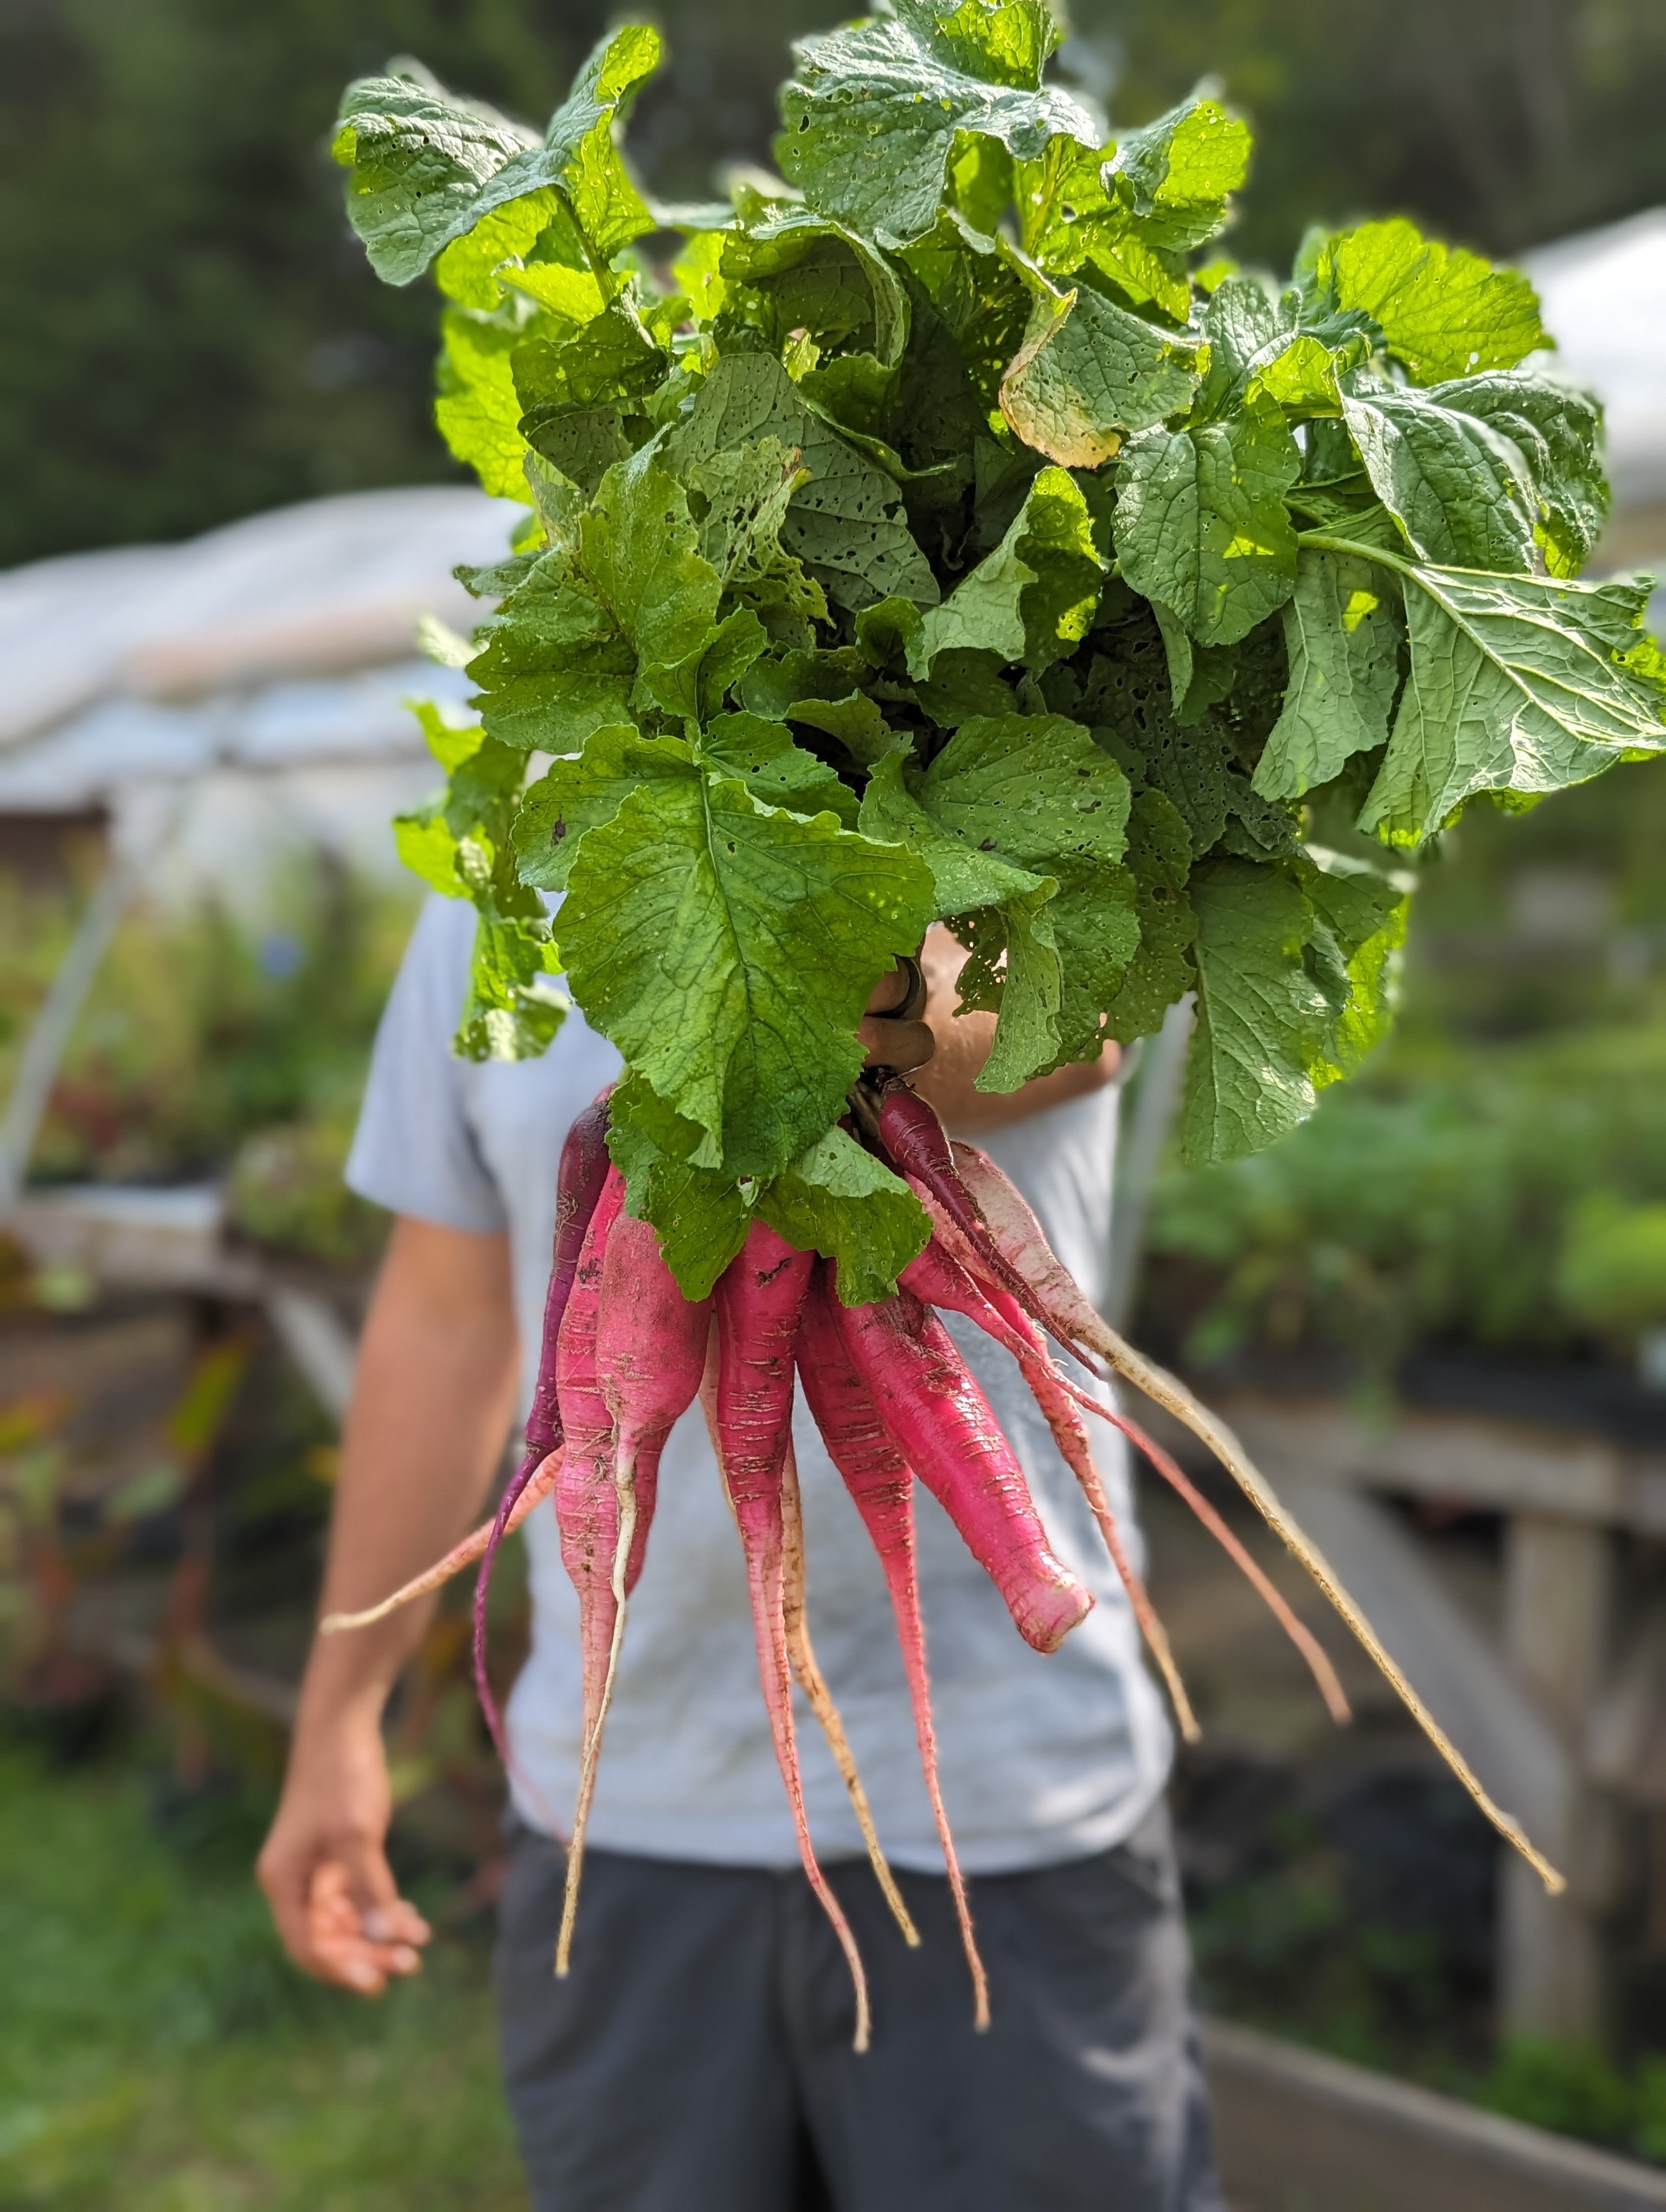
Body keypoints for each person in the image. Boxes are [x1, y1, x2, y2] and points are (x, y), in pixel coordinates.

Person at [258, 904, 1222, 2211]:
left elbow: (1072, 1031)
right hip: (618, 1805)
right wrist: (338, 1717)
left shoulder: (1000, 745)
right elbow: (441, 1316)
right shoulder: (489, 882)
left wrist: (896, 1020)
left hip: (1010, 1810)